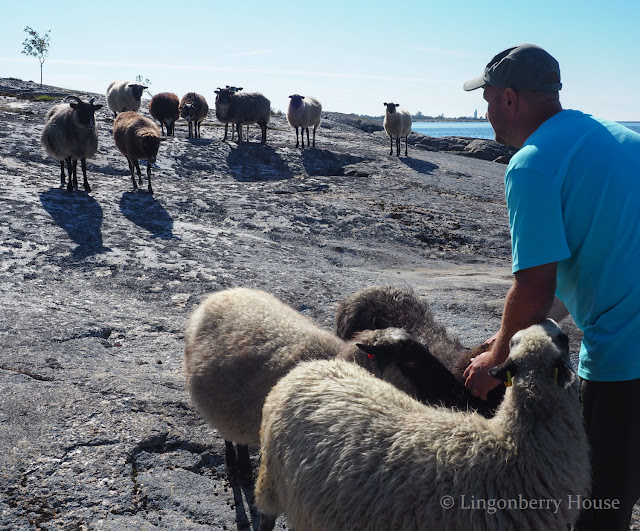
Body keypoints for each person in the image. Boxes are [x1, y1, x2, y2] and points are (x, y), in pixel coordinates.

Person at [462, 43, 640, 530]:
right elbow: (591, 267)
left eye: (489, 98)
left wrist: (495, 364)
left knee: (601, 505)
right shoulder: (617, 139)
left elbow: (534, 289)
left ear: (511, 100)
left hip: (626, 356)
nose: (486, 110)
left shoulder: (533, 165)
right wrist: (505, 338)